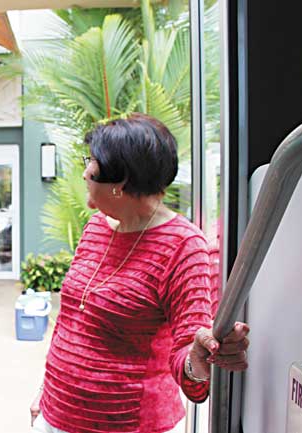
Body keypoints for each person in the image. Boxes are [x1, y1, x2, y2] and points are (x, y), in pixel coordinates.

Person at [29, 114, 249, 433]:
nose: (84, 171)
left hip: (128, 426)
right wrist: (45, 390)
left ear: (119, 181)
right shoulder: (96, 228)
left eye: (91, 162)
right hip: (57, 416)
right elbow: (71, 324)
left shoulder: (183, 245)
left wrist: (198, 360)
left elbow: (189, 348)